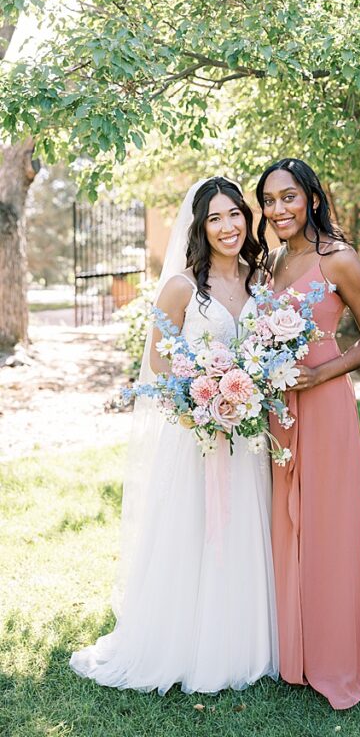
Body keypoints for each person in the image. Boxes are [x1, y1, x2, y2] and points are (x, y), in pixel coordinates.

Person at [70, 177, 278, 693]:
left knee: (245, 530)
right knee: (194, 533)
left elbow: (271, 351)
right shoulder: (181, 287)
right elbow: (159, 363)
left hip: (248, 437)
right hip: (196, 435)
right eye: (215, 218)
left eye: (235, 215)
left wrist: (246, 398)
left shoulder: (261, 281)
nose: (228, 227)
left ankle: (246, 640)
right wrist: (198, 409)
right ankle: (183, 643)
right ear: (200, 227)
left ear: (246, 221)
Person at [256, 158, 360, 709]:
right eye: (267, 200)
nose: (277, 209)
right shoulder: (272, 261)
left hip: (325, 403)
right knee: (287, 520)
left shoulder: (340, 259)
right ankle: (294, 650)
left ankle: (334, 655)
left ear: (311, 197)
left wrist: (320, 373)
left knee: (327, 525)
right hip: (278, 409)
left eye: (288, 197)